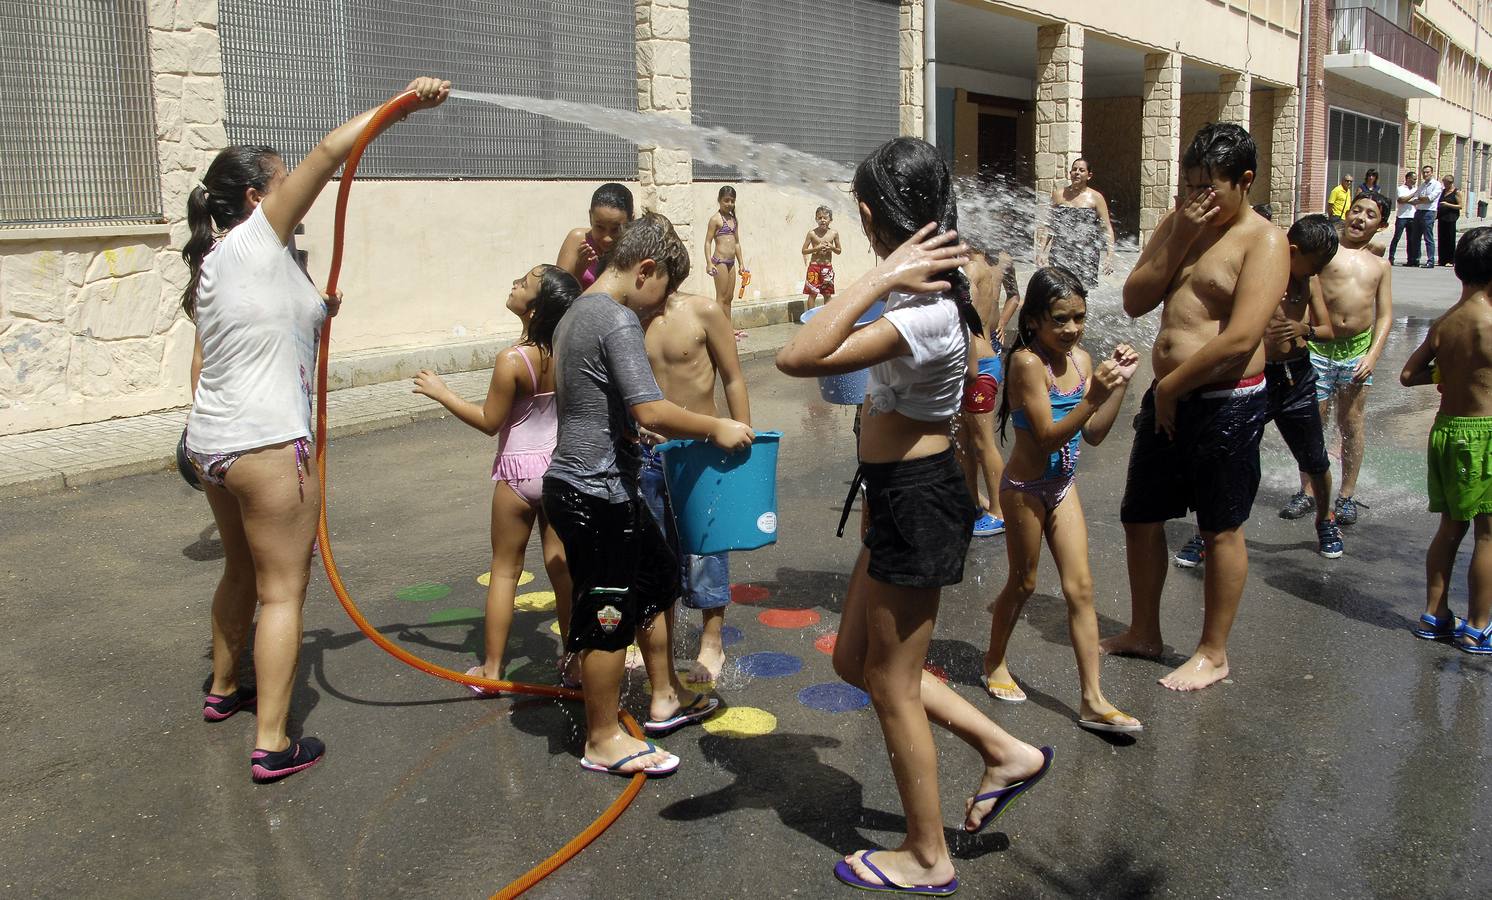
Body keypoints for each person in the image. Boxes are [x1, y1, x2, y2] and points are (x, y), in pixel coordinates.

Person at [778, 137, 1050, 896]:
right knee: (853, 661)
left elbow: (798, 355)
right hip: (898, 493)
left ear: (868, 216)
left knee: (891, 682)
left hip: (920, 496)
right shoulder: (921, 289)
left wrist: (879, 274)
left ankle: (928, 853)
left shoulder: (924, 303)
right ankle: (1006, 751)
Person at [183, 77, 451, 782]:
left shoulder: (222, 260)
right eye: (278, 182)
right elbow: (334, 149)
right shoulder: (258, 236)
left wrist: (316, 310)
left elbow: (245, 337)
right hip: (267, 443)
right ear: (256, 197)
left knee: (244, 569)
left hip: (214, 443)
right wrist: (403, 103)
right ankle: (272, 741)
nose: (289, 190)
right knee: (282, 593)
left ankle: (222, 689)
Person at [543, 212, 753, 777]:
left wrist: (633, 431)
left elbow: (601, 404)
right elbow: (650, 405)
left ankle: (663, 698)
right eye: (660, 292)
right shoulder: (614, 319)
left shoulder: (578, 311)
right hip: (594, 489)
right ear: (646, 269)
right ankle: (603, 737)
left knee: (658, 580)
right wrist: (716, 428)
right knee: (610, 612)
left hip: (600, 480)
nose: (659, 307)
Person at [1101, 123, 1288, 692]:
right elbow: (1135, 300)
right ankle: (1144, 631)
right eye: (1189, 187)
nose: (1196, 200)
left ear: (1245, 182)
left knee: (1220, 527)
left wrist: (1171, 387)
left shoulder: (1265, 242)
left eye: (1209, 189)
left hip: (1224, 403)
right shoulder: (1178, 225)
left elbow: (1239, 339)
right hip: (1170, 397)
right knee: (1141, 517)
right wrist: (1179, 235)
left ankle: (1214, 652)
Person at [980, 266, 1143, 733]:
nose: (1072, 329)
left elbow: (1092, 435)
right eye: (1060, 319)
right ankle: (994, 660)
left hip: (1063, 485)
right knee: (1024, 582)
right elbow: (1049, 437)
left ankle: (1092, 699)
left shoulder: (1083, 360)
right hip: (1025, 492)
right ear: (1033, 321)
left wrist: (1119, 385)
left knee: (1082, 589)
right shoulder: (1026, 364)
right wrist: (1094, 394)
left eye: (1079, 317)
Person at [412, 266, 579, 693]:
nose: (514, 284)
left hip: (518, 474)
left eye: (524, 284)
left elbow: (490, 421)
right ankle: (576, 662)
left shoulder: (512, 359)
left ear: (535, 308)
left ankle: (490, 671)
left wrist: (443, 393)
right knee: (561, 569)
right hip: (559, 469)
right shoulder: (568, 351)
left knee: (505, 571)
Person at [1174, 214, 1350, 561]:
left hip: (1297, 379)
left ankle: (1325, 519)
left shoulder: (1307, 282)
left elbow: (1327, 329)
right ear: (1294, 250)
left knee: (1315, 459)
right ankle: (1208, 532)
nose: (1313, 275)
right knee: (1231, 460)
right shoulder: (1259, 272)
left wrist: (1305, 330)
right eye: (1311, 267)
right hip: (1255, 379)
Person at [640, 291, 751, 683]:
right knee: (652, 551)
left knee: (706, 549)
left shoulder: (704, 310)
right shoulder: (628, 315)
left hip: (702, 450)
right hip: (647, 451)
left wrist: (744, 441)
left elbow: (733, 377)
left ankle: (712, 639)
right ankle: (655, 643)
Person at [1401, 226, 1492, 654]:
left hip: (1446, 431)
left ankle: (1434, 615)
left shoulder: (1444, 324)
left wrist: (1444, 375)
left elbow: (1407, 376)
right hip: (1484, 435)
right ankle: (1478, 626)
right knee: (1488, 536)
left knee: (1449, 529)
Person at [1291, 195, 1394, 526]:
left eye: (1371, 214)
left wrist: (1373, 355)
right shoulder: (1326, 253)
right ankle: (1308, 490)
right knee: (1312, 421)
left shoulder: (1380, 265)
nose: (1361, 218)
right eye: (1357, 210)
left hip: (1356, 351)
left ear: (1382, 225)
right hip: (1318, 348)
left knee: (1351, 423)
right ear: (1346, 214)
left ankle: (1346, 495)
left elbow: (1385, 316)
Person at [960, 247, 1022, 536]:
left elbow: (963, 314)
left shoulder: (971, 270)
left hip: (979, 362)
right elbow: (1014, 296)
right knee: (965, 440)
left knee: (982, 441)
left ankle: (998, 511)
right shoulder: (1002, 259)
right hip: (983, 357)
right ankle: (972, 504)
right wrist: (1000, 322)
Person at [1037, 157, 1116, 288]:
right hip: (1061, 252)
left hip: (1086, 253)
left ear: (1089, 175)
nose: (1077, 172)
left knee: (1081, 292)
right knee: (1060, 289)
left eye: (1081, 170)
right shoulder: (1058, 195)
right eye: (1074, 169)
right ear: (1070, 173)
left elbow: (1107, 228)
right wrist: (1041, 252)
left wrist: (1109, 256)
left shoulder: (1096, 198)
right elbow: (1050, 226)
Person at [556, 183, 635, 289]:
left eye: (616, 229)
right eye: (600, 227)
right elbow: (555, 296)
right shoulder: (578, 240)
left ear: (632, 220)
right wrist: (579, 270)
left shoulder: (636, 250)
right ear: (590, 217)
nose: (607, 238)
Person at [704, 185, 750, 332]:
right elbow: (707, 242)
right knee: (721, 297)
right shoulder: (715, 219)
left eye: (732, 201)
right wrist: (709, 263)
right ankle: (718, 331)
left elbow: (736, 243)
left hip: (731, 263)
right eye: (726, 200)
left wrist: (741, 263)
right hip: (720, 262)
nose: (729, 204)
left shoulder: (733, 220)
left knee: (729, 297)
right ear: (719, 200)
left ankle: (728, 328)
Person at [802, 205, 842, 308]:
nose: (822, 220)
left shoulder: (834, 233)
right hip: (814, 267)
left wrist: (831, 247)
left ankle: (826, 318)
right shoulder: (812, 233)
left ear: (830, 220)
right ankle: (810, 319)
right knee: (812, 294)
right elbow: (804, 250)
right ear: (816, 219)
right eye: (819, 218)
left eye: (825, 218)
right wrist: (816, 249)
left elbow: (839, 251)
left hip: (827, 268)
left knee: (827, 294)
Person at [1415, 164, 1443, 269]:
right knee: (1416, 237)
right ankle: (1415, 259)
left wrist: (1420, 199)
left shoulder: (1436, 185)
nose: (1425, 174)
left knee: (1428, 238)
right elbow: (1416, 197)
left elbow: (1430, 199)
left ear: (1432, 173)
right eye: (1424, 172)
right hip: (1419, 211)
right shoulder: (1422, 185)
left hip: (1429, 212)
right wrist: (1421, 199)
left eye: (1427, 172)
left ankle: (1430, 260)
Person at [1389, 170, 1420, 266]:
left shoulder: (1416, 189)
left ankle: (1411, 259)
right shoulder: (1401, 188)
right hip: (1402, 216)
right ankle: (1391, 257)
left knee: (1411, 239)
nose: (1415, 181)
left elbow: (1417, 201)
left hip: (1412, 216)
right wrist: (1412, 196)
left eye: (1416, 179)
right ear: (1408, 178)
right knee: (1396, 237)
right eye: (1413, 179)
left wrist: (1409, 200)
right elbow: (1401, 200)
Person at [1438, 175, 1462, 267]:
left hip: (1451, 218)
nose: (1444, 185)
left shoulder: (1456, 192)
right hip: (1442, 217)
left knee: (1450, 239)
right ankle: (1442, 259)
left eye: (1445, 183)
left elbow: (1460, 206)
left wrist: (1447, 204)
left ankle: (1450, 260)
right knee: (1442, 238)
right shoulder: (1443, 191)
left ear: (1450, 183)